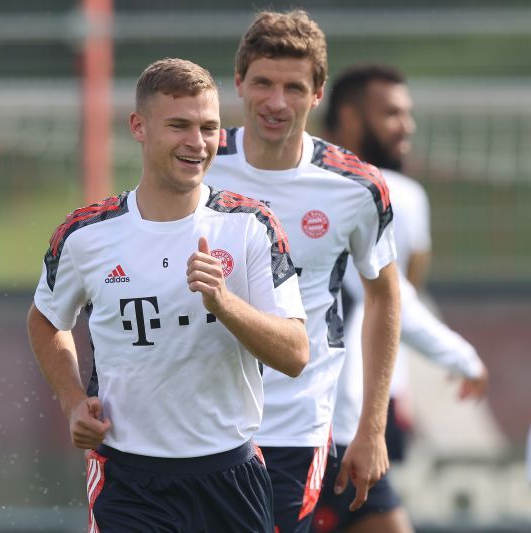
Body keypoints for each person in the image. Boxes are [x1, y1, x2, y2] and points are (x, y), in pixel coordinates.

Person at [27, 58, 309, 532]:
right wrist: (73, 398)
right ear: (139, 126)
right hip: (128, 480)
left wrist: (224, 303)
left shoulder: (250, 225)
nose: (197, 143)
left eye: (209, 128)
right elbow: (45, 319)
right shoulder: (86, 235)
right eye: (179, 125)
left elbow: (296, 354)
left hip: (229, 474)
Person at [203, 10, 401, 533]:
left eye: (294, 87)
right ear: (239, 82)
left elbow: (385, 296)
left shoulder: (356, 187)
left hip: (294, 427)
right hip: (194, 419)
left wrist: (371, 427)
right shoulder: (195, 163)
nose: (276, 102)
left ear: (317, 94)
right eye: (263, 83)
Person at [313, 63, 489, 533]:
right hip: (321, 412)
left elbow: (395, 297)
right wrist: (459, 355)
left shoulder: (398, 193)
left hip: (354, 402)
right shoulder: (393, 193)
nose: (405, 126)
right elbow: (400, 296)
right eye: (391, 113)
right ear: (349, 118)